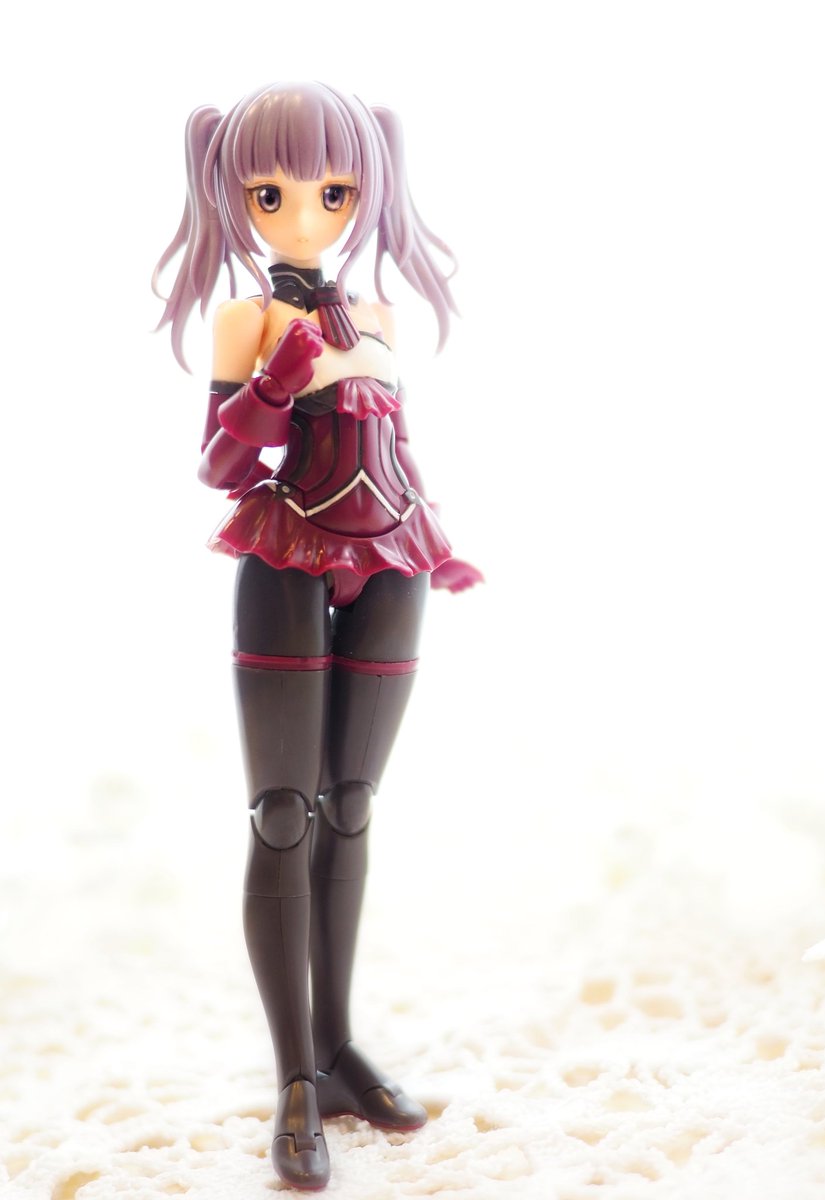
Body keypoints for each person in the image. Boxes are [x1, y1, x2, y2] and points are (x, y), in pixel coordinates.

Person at [155, 81, 480, 1190]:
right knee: (285, 814)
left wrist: (437, 542)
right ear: (233, 192)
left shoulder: (379, 316)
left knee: (351, 804)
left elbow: (393, 446)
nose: (305, 213)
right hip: (288, 551)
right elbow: (220, 464)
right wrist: (275, 381)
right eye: (272, 192)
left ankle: (338, 1049)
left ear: (367, 188)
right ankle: (295, 1075)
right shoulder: (247, 318)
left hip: (392, 558)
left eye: (334, 191)